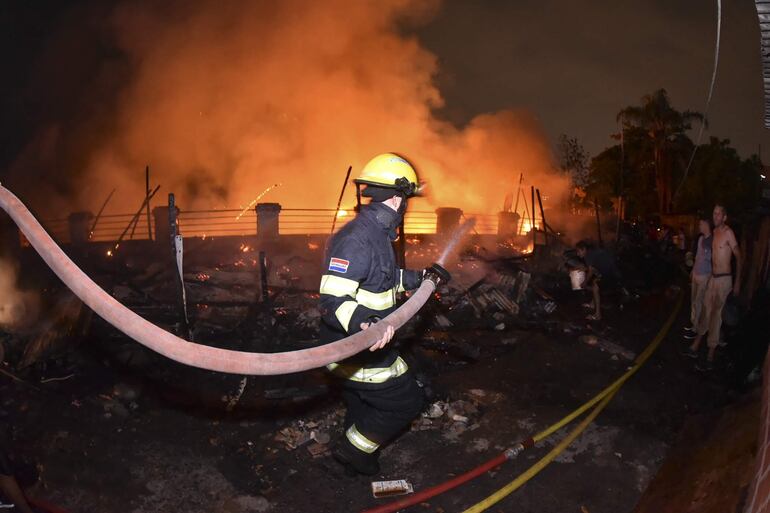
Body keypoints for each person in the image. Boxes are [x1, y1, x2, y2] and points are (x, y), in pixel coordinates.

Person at [318, 153, 450, 476]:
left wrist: (421, 278)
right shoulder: (356, 241)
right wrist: (367, 323)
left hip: (368, 348)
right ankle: (351, 450)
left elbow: (385, 278)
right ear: (395, 198)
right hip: (358, 350)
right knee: (406, 402)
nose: (406, 207)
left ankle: (351, 453)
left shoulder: (376, 234)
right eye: (406, 200)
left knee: (362, 402)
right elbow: (332, 300)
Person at [687, 204, 742, 370]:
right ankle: (696, 345)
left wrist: (738, 280)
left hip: (725, 280)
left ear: (724, 217)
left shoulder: (728, 233)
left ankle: (710, 354)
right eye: (714, 213)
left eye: (719, 214)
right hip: (713, 278)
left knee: (716, 316)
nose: (716, 216)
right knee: (705, 310)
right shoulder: (715, 233)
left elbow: (739, 256)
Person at [575, 240, 622, 321]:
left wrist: (584, 283)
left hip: (613, 274)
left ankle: (597, 315)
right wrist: (585, 269)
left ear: (584, 249)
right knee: (595, 281)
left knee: (595, 286)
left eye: (578, 251)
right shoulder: (592, 252)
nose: (577, 254)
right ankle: (592, 304)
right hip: (612, 271)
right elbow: (594, 267)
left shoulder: (588, 255)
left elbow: (590, 272)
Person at [683, 217, 713, 340]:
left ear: (707, 225)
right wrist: (693, 271)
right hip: (696, 273)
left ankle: (696, 328)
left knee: (699, 301)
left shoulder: (713, 241)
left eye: (701, 224)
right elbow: (697, 256)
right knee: (693, 300)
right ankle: (693, 322)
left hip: (705, 275)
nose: (699, 226)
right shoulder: (701, 239)